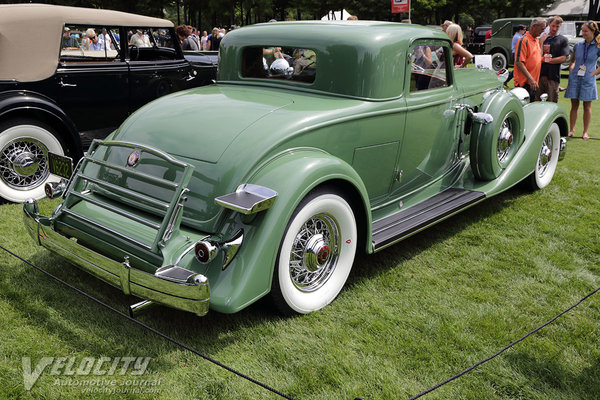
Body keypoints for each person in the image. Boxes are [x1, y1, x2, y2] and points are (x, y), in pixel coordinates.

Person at [565, 21, 600, 140]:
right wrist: (571, 68)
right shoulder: (578, 45)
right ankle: (571, 130)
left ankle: (585, 132)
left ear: (593, 31)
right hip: (575, 78)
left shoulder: (598, 46)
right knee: (574, 105)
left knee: (587, 106)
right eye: (582, 31)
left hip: (588, 80)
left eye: (586, 31)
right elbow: (573, 60)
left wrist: (593, 73)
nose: (583, 33)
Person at [514, 17, 547, 102]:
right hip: (524, 84)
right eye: (542, 28)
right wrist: (531, 79)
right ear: (534, 26)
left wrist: (543, 59)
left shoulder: (536, 40)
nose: (543, 31)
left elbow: (536, 58)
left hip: (532, 83)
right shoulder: (523, 40)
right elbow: (519, 62)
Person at [537, 16, 569, 102]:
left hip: (553, 77)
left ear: (560, 26)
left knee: (552, 103)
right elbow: (536, 55)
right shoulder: (542, 38)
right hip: (539, 76)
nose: (554, 29)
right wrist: (541, 42)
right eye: (553, 26)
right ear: (549, 25)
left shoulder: (563, 40)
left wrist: (548, 60)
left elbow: (563, 58)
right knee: (537, 102)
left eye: (557, 27)